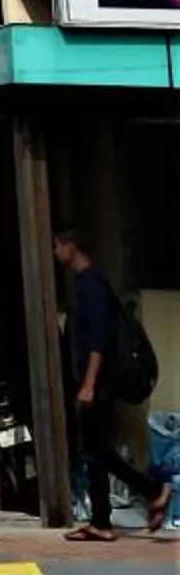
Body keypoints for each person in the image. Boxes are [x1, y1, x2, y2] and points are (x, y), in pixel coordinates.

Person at [53, 223, 171, 540]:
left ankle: (149, 493)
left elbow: (97, 341)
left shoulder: (91, 286)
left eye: (57, 245)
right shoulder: (88, 284)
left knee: (96, 452)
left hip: (98, 384)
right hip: (95, 383)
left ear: (70, 246)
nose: (55, 252)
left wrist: (89, 383)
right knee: (96, 451)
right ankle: (105, 521)